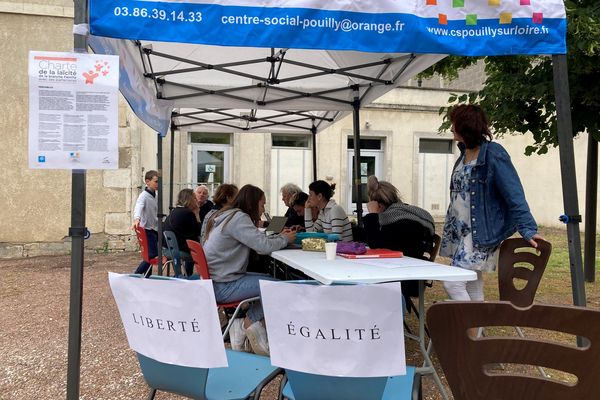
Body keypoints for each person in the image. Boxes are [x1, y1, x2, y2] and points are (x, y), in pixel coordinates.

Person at [440, 104, 542, 302]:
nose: (451, 128)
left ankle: (465, 329)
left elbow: (514, 193)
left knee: (453, 281)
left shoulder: (493, 153)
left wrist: (528, 228)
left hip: (479, 232)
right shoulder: (463, 155)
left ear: (465, 126)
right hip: (460, 230)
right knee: (472, 282)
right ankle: (476, 332)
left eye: (454, 124)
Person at [202, 184, 296, 355]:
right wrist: (284, 239)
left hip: (217, 281)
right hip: (224, 286)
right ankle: (250, 322)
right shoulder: (239, 218)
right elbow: (262, 246)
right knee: (278, 287)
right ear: (252, 204)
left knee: (268, 278)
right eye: (262, 204)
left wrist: (277, 237)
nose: (263, 209)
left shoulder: (227, 215)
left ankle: (239, 326)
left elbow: (258, 240)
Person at [363, 175, 435, 299]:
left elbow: (375, 245)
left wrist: (372, 216)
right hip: (408, 273)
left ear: (378, 206)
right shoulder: (407, 214)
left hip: (402, 278)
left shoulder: (397, 223)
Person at [163, 188, 201, 276]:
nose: (196, 201)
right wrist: (197, 214)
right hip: (179, 251)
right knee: (204, 255)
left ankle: (185, 274)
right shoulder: (188, 213)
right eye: (194, 198)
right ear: (190, 199)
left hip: (167, 249)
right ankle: (191, 275)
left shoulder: (174, 211)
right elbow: (197, 233)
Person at [132, 170, 159, 275]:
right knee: (151, 256)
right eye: (156, 181)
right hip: (146, 230)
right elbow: (139, 206)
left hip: (153, 229)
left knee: (150, 255)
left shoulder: (155, 195)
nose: (157, 184)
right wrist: (137, 218)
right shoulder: (143, 195)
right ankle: (136, 274)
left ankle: (147, 276)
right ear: (147, 182)